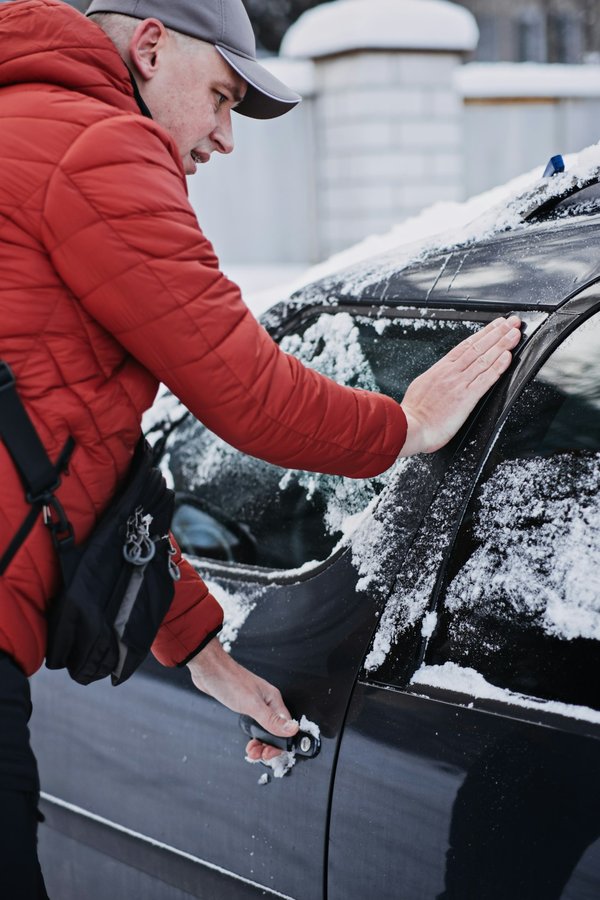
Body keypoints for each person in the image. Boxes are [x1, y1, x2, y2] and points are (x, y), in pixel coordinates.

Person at [0, 0, 521, 894]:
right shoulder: (99, 145)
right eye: (223, 97)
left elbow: (72, 454)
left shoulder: (25, 128)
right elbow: (247, 393)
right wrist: (406, 426)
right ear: (152, 46)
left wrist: (203, 653)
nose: (225, 137)